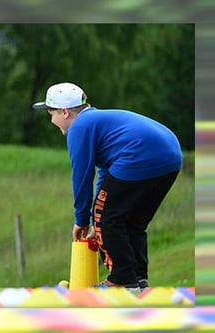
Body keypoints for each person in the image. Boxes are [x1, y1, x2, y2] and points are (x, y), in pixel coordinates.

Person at [32, 82, 182, 292]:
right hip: (171, 156)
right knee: (132, 222)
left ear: (64, 112)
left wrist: (82, 219)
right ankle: (138, 279)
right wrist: (94, 220)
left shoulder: (79, 128)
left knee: (108, 217)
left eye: (51, 114)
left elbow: (82, 176)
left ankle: (122, 279)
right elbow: (106, 173)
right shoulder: (96, 122)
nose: (51, 120)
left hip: (141, 154)